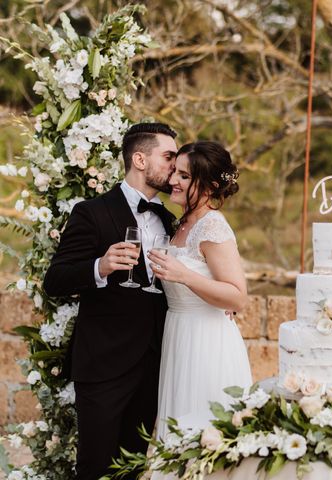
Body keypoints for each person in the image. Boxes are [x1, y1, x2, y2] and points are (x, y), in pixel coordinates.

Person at [42, 122, 178, 480]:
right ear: (139, 159)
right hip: (104, 364)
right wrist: (99, 266)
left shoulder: (169, 219)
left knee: (132, 468)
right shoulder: (92, 212)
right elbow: (54, 280)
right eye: (168, 157)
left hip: (152, 362)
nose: (174, 166)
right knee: (95, 466)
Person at [147, 140, 252, 442]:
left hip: (207, 341)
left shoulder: (212, 227)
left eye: (184, 176)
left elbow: (238, 297)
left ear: (210, 185)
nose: (172, 182)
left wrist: (185, 275)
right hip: (177, 334)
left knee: (204, 433)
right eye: (175, 173)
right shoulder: (181, 223)